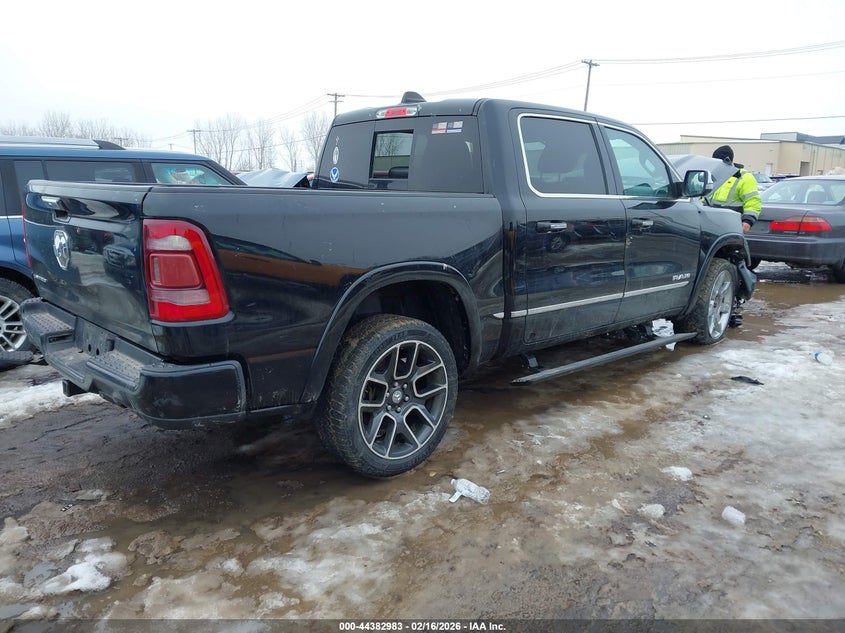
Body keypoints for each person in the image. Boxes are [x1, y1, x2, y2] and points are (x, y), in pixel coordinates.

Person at [708, 145, 761, 233]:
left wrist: (748, 221)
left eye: (719, 162)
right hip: (711, 225)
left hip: (732, 227)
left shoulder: (744, 177)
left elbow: (752, 201)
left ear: (728, 161)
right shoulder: (714, 175)